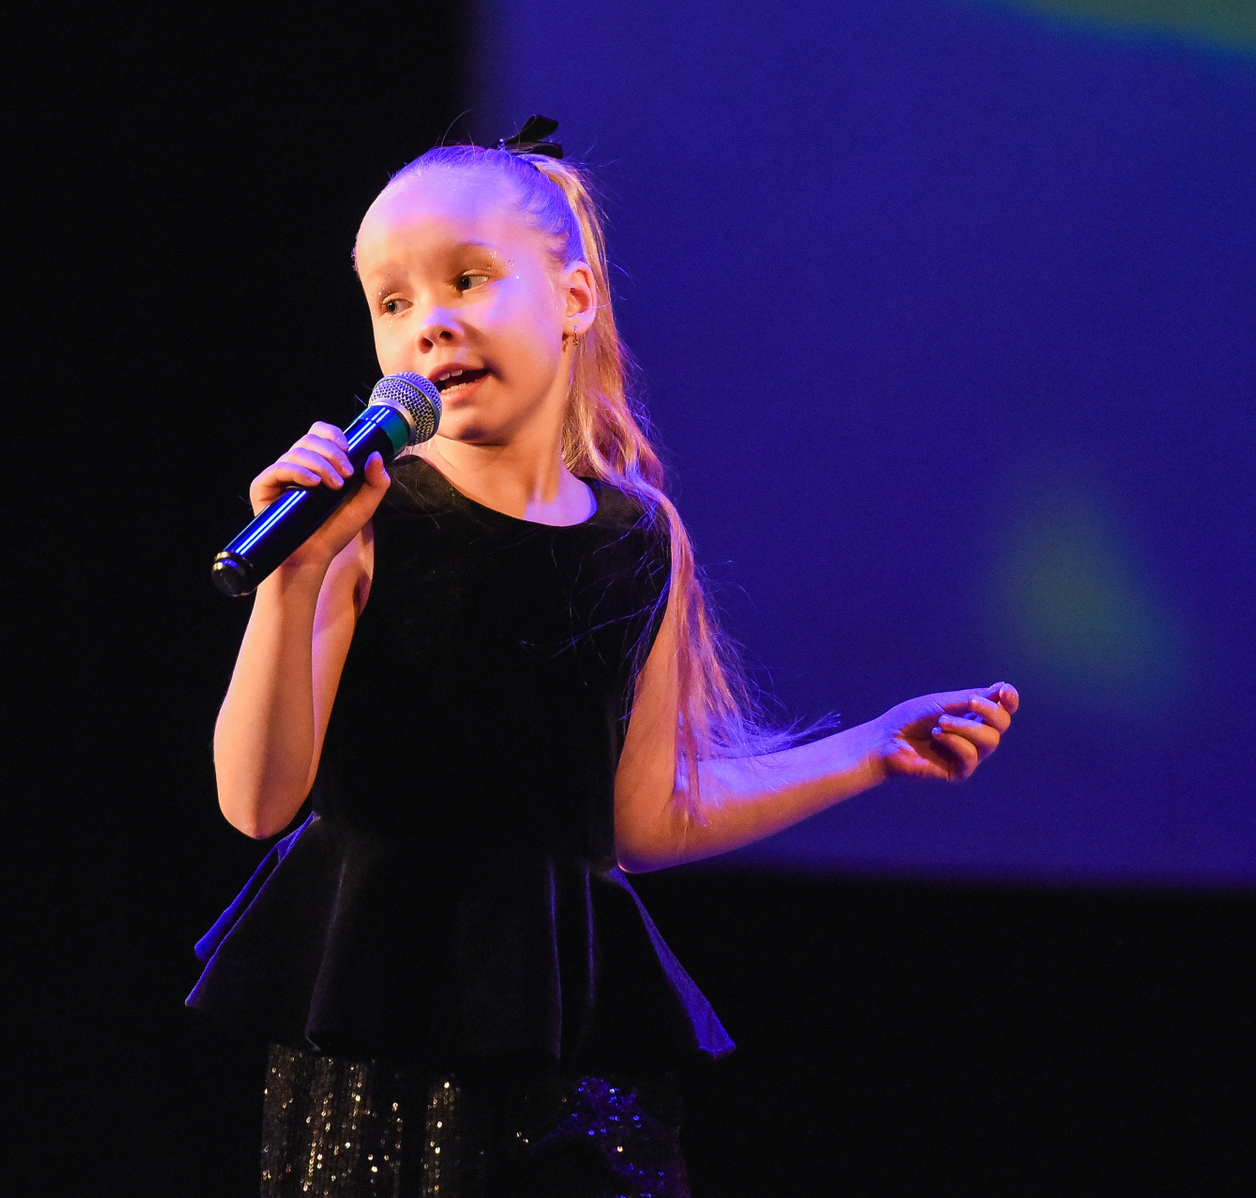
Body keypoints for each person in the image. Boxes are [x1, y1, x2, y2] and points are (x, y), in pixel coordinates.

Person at [188, 117, 1020, 1198]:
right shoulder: (364, 527)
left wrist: (869, 749)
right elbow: (257, 802)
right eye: (393, 304)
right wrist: (292, 577)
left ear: (575, 297)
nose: (431, 323)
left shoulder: (639, 539)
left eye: (468, 280)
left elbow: (643, 819)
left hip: (569, 1044)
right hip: (384, 1044)